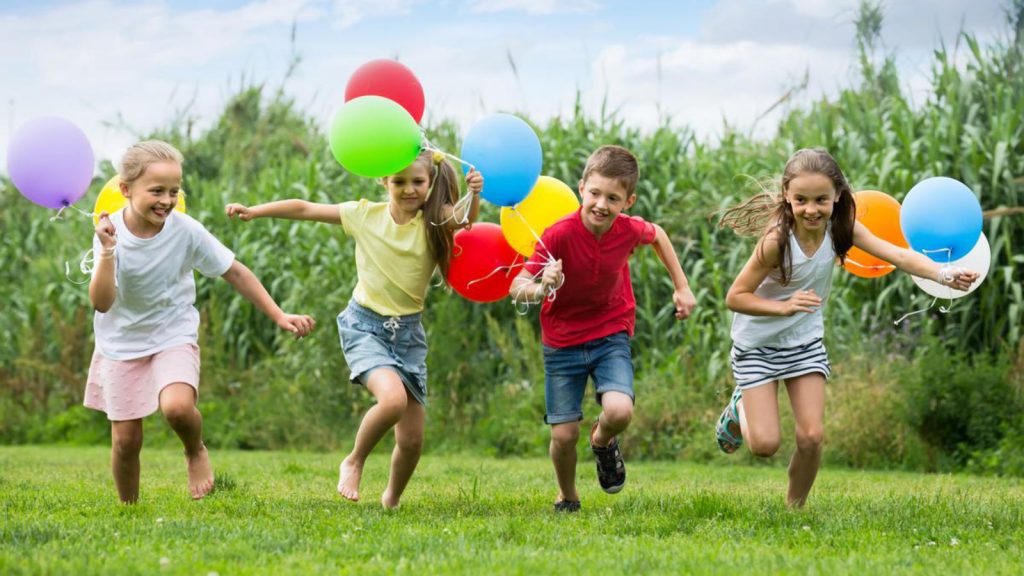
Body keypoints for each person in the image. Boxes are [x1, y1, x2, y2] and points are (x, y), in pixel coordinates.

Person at [714, 148, 979, 507]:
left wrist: (943, 274)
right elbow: (735, 296)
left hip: (804, 343)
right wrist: (784, 307)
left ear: (837, 195)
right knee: (764, 446)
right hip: (757, 344)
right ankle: (740, 407)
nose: (811, 210)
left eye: (821, 200)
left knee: (811, 437)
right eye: (801, 200)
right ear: (787, 196)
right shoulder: (777, 242)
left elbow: (899, 255)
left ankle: (794, 510)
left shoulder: (842, 229)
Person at [226, 150, 483, 508]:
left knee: (412, 441)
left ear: (430, 183)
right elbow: (305, 208)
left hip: (408, 335)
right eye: (399, 182)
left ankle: (391, 499)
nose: (409, 189)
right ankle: (354, 460)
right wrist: (256, 210)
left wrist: (474, 194)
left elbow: (462, 219)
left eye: (418, 182)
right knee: (392, 400)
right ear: (384, 181)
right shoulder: (365, 215)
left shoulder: (433, 221)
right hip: (365, 326)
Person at [87, 140, 315, 504]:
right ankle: (128, 509)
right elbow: (101, 302)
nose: (167, 200)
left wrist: (278, 314)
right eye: (157, 191)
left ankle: (195, 450)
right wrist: (107, 251)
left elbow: (234, 271)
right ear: (126, 189)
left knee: (178, 408)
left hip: (172, 332)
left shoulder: (185, 230)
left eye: (174, 191)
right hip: (121, 341)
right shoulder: (109, 232)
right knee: (125, 441)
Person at [510, 145, 696, 512]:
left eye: (613, 198)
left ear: (629, 201)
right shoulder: (558, 234)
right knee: (564, 435)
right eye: (595, 193)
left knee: (620, 411)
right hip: (562, 342)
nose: (601, 204)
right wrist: (543, 287)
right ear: (581, 188)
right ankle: (568, 496)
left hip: (610, 333)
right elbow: (517, 286)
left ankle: (602, 440)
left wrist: (682, 286)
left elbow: (657, 234)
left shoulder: (628, 229)